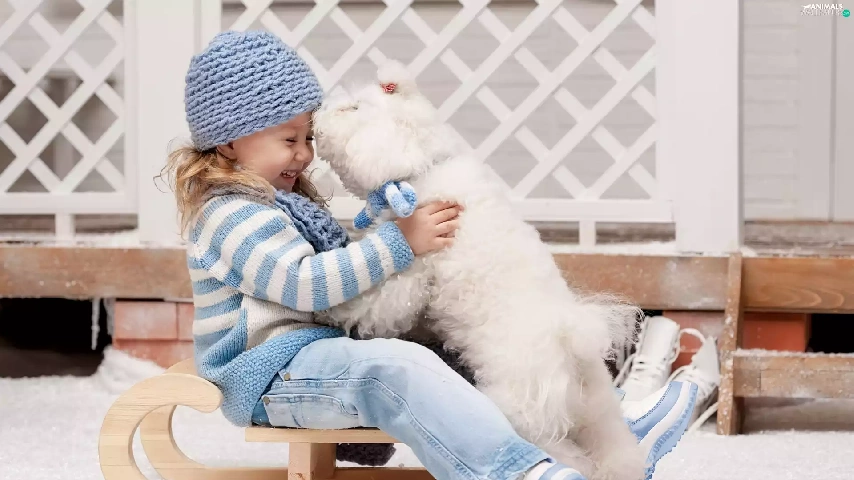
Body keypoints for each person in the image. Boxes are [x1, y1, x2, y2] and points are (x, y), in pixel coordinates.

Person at [164, 30, 696, 480]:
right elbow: (305, 283)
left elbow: (337, 285)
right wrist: (399, 244)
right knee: (396, 368)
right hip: (268, 374)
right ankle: (515, 471)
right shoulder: (228, 213)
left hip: (312, 361)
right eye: (289, 139)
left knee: (462, 364)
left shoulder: (278, 204)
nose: (305, 154)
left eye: (308, 136)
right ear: (229, 143)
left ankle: (603, 448)